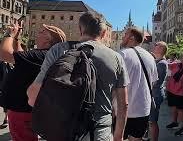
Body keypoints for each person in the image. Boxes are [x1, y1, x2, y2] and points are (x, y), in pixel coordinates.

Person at [27, 13, 129, 141]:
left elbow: (32, 97)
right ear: (103, 33)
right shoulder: (116, 58)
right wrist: (118, 136)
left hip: (62, 131)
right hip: (99, 133)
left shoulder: (58, 50)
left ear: (80, 29)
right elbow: (123, 104)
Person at [0, 23, 66, 141]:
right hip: (28, 108)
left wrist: (9, 34)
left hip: (21, 109)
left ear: (48, 40)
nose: (38, 33)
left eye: (42, 32)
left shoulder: (40, 55)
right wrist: (16, 38)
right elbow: (20, 55)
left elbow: (4, 54)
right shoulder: (46, 55)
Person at [119, 28, 158, 141]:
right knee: (136, 138)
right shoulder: (150, 57)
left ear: (131, 38)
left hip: (123, 110)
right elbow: (154, 81)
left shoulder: (122, 54)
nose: (123, 36)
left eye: (125, 34)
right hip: (143, 108)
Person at [147, 41, 168, 141]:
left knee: (153, 121)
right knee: (150, 121)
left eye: (156, 45)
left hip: (156, 95)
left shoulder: (162, 63)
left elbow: (155, 82)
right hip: (153, 93)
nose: (154, 46)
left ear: (161, 49)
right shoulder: (157, 61)